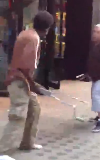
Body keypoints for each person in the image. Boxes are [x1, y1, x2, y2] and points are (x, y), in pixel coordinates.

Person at [5, 11, 54, 150]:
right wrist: (34, 86)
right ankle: (3, 151)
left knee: (34, 109)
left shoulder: (26, 33)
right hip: (19, 81)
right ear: (47, 28)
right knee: (18, 116)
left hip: (21, 80)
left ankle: (27, 143)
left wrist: (33, 85)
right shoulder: (33, 39)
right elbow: (25, 68)